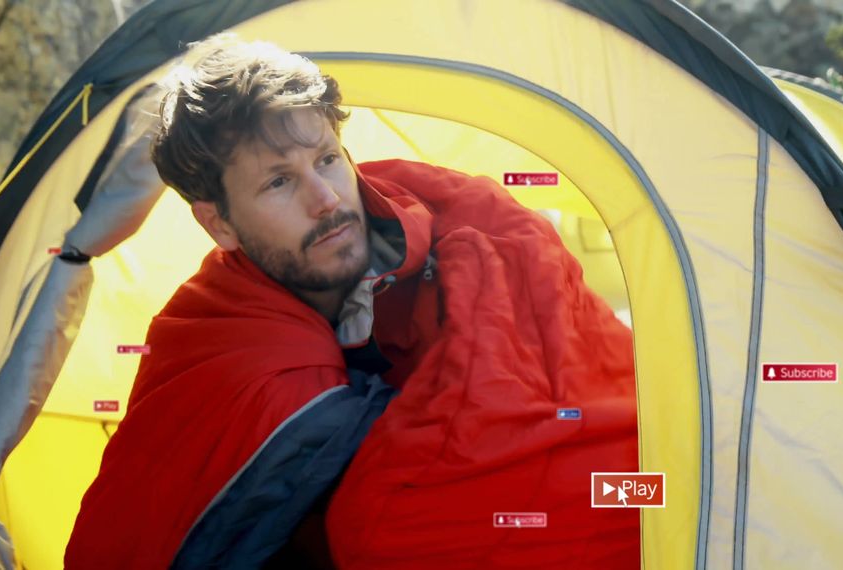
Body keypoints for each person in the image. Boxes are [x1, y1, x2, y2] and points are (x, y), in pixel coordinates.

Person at [65, 35, 639, 569]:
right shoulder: (211, 335)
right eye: (278, 183)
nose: (326, 200)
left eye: (328, 160)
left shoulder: (460, 223)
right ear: (219, 225)